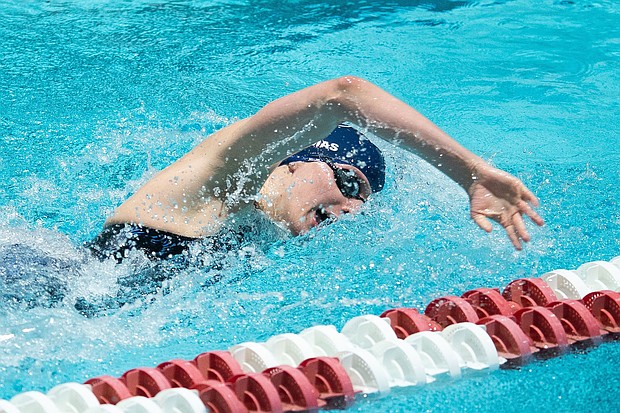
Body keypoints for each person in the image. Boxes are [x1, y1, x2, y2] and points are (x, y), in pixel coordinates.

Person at [88, 76, 544, 264]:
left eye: (361, 203)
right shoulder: (225, 181)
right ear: (297, 159)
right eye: (350, 183)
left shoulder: (258, 235)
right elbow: (343, 94)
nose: (350, 207)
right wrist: (470, 172)